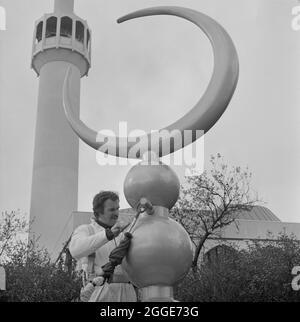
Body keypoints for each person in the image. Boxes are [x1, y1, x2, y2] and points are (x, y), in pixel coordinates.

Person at [69, 191, 137, 302]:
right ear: (98, 213)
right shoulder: (86, 230)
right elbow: (75, 250)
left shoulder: (123, 234)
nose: (116, 213)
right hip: (99, 291)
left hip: (128, 292)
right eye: (111, 210)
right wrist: (107, 235)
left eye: (117, 208)